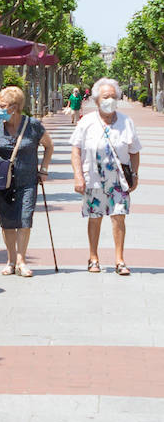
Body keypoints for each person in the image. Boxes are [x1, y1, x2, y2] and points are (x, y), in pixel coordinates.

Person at [71, 77, 141, 275]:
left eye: (113, 96)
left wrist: (135, 174)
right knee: (95, 217)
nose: (109, 99)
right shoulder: (87, 122)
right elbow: (75, 151)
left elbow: (134, 150)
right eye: (105, 96)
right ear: (96, 100)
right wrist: (78, 176)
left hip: (119, 179)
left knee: (119, 217)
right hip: (93, 177)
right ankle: (93, 258)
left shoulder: (126, 122)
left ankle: (119, 260)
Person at [0, 85, 53, 277]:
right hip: (2, 182)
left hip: (28, 180)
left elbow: (49, 146)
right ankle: (11, 260)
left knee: (24, 219)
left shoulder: (33, 126)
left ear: (15, 107)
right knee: (7, 221)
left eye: (3, 105)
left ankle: (21, 261)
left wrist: (44, 169)